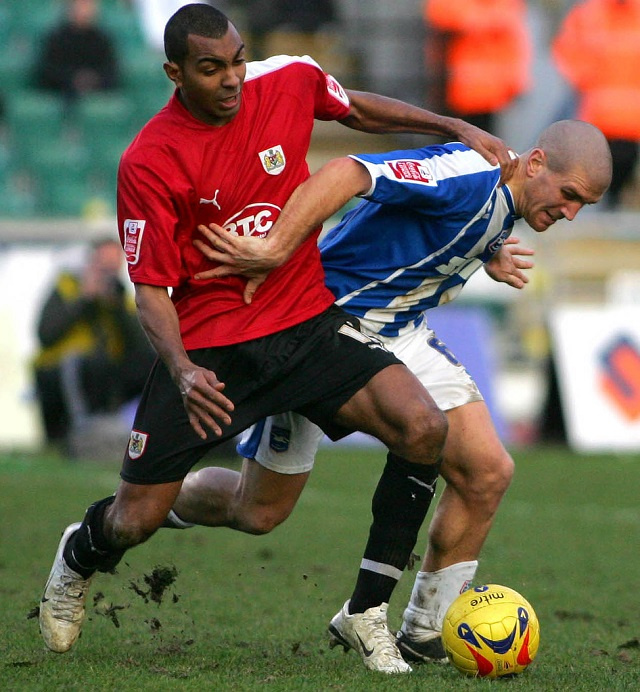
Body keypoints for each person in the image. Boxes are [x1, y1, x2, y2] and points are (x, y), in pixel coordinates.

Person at [38, 2, 514, 661]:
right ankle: (79, 551)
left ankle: (369, 613)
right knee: (140, 518)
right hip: (211, 350)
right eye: (211, 69)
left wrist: (452, 124)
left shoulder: (287, 80)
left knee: (422, 428)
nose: (232, 78)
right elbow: (151, 293)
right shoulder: (150, 160)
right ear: (175, 73)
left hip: (306, 324)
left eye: (236, 61)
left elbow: (357, 110)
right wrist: (182, 369)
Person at [178, 119, 612, 673]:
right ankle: (156, 504)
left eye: (585, 206)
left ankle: (424, 629)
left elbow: (446, 224)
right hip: (325, 329)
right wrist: (274, 247)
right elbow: (348, 172)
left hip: (402, 333)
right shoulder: (469, 170)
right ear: (535, 162)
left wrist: (487, 249)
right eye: (569, 195)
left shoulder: (506, 199)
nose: (571, 212)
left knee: (486, 471)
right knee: (258, 511)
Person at [32, 238, 155, 451]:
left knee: (150, 364)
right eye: (102, 264)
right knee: (83, 364)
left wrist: (116, 307)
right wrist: (85, 299)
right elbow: (46, 334)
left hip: (106, 370)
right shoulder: (67, 287)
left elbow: (141, 347)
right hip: (61, 367)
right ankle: (80, 433)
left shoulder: (120, 298)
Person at [552, 0, 640, 208]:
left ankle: (611, 205)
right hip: (600, 110)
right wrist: (583, 77)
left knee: (621, 161)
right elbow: (566, 50)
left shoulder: (589, 13)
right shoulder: (588, 14)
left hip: (627, 113)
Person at [424, 0, 532, 135]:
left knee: (476, 141)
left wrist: (517, 81)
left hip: (483, 91)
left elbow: (513, 42)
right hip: (458, 87)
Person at [34, 0, 120, 102]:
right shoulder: (57, 38)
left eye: (87, 6)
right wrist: (73, 79)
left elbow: (111, 70)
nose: (84, 11)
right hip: (63, 93)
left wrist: (92, 80)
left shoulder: (102, 39)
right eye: (80, 6)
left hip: (98, 94)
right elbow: (48, 70)